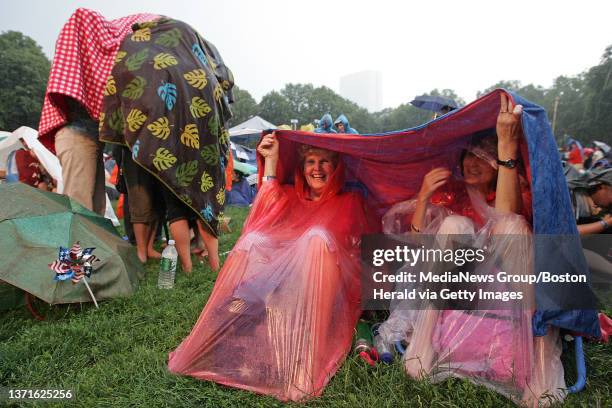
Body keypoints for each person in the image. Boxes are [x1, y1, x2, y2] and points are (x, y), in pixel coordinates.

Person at [380, 94, 565, 406]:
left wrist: (507, 144)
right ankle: (422, 344)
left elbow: (507, 218)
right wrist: (424, 197)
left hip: (511, 290)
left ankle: (541, 362)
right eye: (468, 155)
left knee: (512, 227)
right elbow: (417, 247)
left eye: (482, 157)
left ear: (498, 166)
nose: (471, 163)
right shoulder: (454, 194)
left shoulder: (518, 190)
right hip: (462, 288)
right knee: (453, 226)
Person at [168, 133, 375, 401]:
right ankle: (203, 344)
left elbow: (354, 248)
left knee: (317, 240)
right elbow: (258, 220)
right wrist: (272, 161)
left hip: (330, 281)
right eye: (310, 161)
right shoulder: (288, 195)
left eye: (325, 161)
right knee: (252, 240)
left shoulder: (350, 200)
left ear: (336, 169)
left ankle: (308, 363)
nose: (317, 168)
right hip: (279, 282)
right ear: (302, 168)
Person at [100, 17, 235, 272]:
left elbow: (119, 100)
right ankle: (216, 264)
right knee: (205, 204)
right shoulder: (199, 64)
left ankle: (186, 266)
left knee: (176, 210)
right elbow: (222, 98)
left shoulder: (137, 58)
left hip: (165, 150)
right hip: (201, 151)